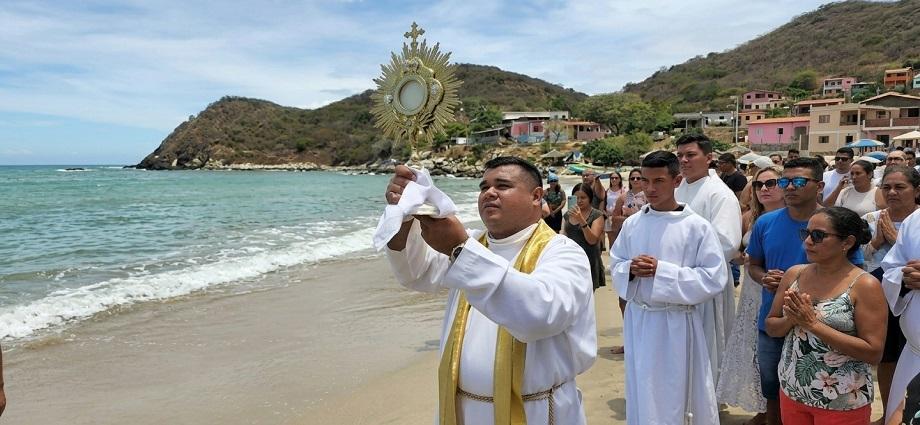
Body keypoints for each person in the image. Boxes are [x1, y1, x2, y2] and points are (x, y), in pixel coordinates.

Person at [383, 157, 597, 425]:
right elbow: (417, 272)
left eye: (503, 185)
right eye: (484, 187)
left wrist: (459, 250)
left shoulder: (563, 252)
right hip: (461, 407)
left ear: (536, 196)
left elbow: (541, 313)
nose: (489, 193)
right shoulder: (474, 244)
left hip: (537, 411)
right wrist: (402, 215)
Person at [610, 150, 728, 425]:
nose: (649, 188)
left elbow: (713, 278)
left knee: (675, 393)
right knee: (643, 389)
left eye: (659, 181)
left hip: (676, 322)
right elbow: (615, 263)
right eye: (644, 181)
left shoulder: (697, 227)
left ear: (677, 181)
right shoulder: (632, 224)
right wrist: (629, 270)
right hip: (639, 320)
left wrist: (661, 272)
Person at [766, 206, 887, 424]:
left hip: (841, 401)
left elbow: (873, 352)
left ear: (847, 243)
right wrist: (791, 320)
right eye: (807, 233)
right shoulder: (795, 274)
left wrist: (813, 324)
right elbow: (771, 327)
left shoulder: (865, 285)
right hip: (794, 392)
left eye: (819, 235)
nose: (808, 242)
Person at [748, 157, 829, 425]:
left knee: (815, 390)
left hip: (820, 324)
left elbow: (853, 272)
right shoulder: (765, 223)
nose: (790, 187)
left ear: (819, 186)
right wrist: (765, 278)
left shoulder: (835, 223)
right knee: (772, 390)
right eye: (785, 181)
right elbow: (754, 266)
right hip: (773, 321)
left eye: (798, 181)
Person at [717, 166, 785, 422]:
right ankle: (763, 407)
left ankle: (776, 411)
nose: (764, 189)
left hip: (778, 287)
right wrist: (743, 258)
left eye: (771, 183)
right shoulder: (749, 217)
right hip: (751, 287)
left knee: (775, 350)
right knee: (754, 350)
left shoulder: (795, 217)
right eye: (758, 185)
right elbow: (732, 251)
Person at [675, 134, 743, 388]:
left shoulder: (719, 194)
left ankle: (706, 400)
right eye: (680, 155)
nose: (684, 160)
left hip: (705, 281)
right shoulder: (680, 188)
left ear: (709, 158)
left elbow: (726, 243)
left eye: (690, 155)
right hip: (677, 280)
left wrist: (685, 258)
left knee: (706, 343)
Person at [865, 166, 920, 422]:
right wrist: (906, 279)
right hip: (910, 337)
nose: (892, 193)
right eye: (887, 187)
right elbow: (891, 267)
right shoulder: (914, 223)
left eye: (900, 187)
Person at [608, 168, 648, 354]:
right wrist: (627, 218)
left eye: (639, 177)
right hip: (628, 245)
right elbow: (613, 219)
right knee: (624, 297)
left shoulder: (649, 197)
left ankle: (644, 340)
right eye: (632, 178)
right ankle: (629, 339)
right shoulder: (623, 198)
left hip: (645, 247)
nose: (635, 180)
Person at [564, 183, 606, 291]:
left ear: (590, 198)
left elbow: (592, 240)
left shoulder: (597, 215)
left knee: (586, 298)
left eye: (583, 197)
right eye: (576, 198)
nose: (579, 201)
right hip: (570, 260)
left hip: (589, 261)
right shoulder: (568, 215)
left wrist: (581, 220)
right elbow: (563, 235)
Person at [604, 173, 627, 249]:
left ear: (620, 179)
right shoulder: (607, 191)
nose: (614, 179)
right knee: (611, 241)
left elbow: (627, 204)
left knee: (620, 240)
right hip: (609, 217)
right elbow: (604, 203)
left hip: (619, 218)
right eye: (612, 178)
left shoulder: (624, 190)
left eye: (616, 178)